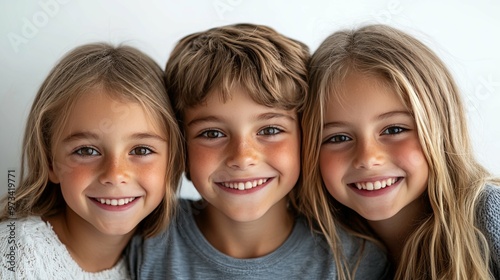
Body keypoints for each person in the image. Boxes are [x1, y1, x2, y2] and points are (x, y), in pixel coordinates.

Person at [127, 23, 389, 279]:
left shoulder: (354, 260)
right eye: (212, 133)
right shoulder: (145, 240)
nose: (243, 158)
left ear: (305, 138)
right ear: (180, 148)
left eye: (270, 130)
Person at [298, 23, 500, 279]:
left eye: (394, 130)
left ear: (441, 130)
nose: (368, 159)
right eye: (338, 137)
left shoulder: (490, 213)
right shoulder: (318, 253)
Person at [0, 43, 183, 279]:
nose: (115, 174)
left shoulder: (166, 258)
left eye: (141, 150)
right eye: (87, 151)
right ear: (49, 161)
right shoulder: (15, 257)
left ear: (174, 161)